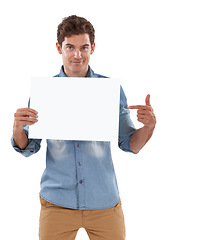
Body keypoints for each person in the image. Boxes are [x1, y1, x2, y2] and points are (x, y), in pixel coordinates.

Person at [11, 15, 156, 240]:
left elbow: (130, 145)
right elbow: (29, 147)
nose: (77, 54)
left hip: (104, 202)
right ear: (59, 47)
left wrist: (148, 127)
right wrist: (18, 129)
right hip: (57, 203)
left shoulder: (110, 91)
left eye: (84, 47)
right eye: (70, 47)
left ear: (93, 48)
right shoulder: (44, 92)